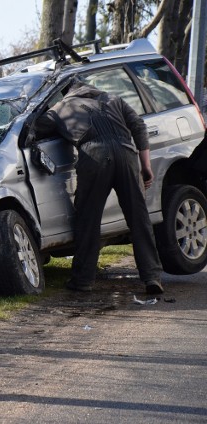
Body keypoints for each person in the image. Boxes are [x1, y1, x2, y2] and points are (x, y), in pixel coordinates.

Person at [34, 77, 164, 295]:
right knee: (139, 218)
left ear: (66, 92)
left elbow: (34, 129)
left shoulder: (61, 107)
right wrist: (146, 166)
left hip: (94, 156)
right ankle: (152, 277)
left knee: (88, 219)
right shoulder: (114, 98)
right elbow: (138, 125)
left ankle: (83, 280)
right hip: (127, 154)